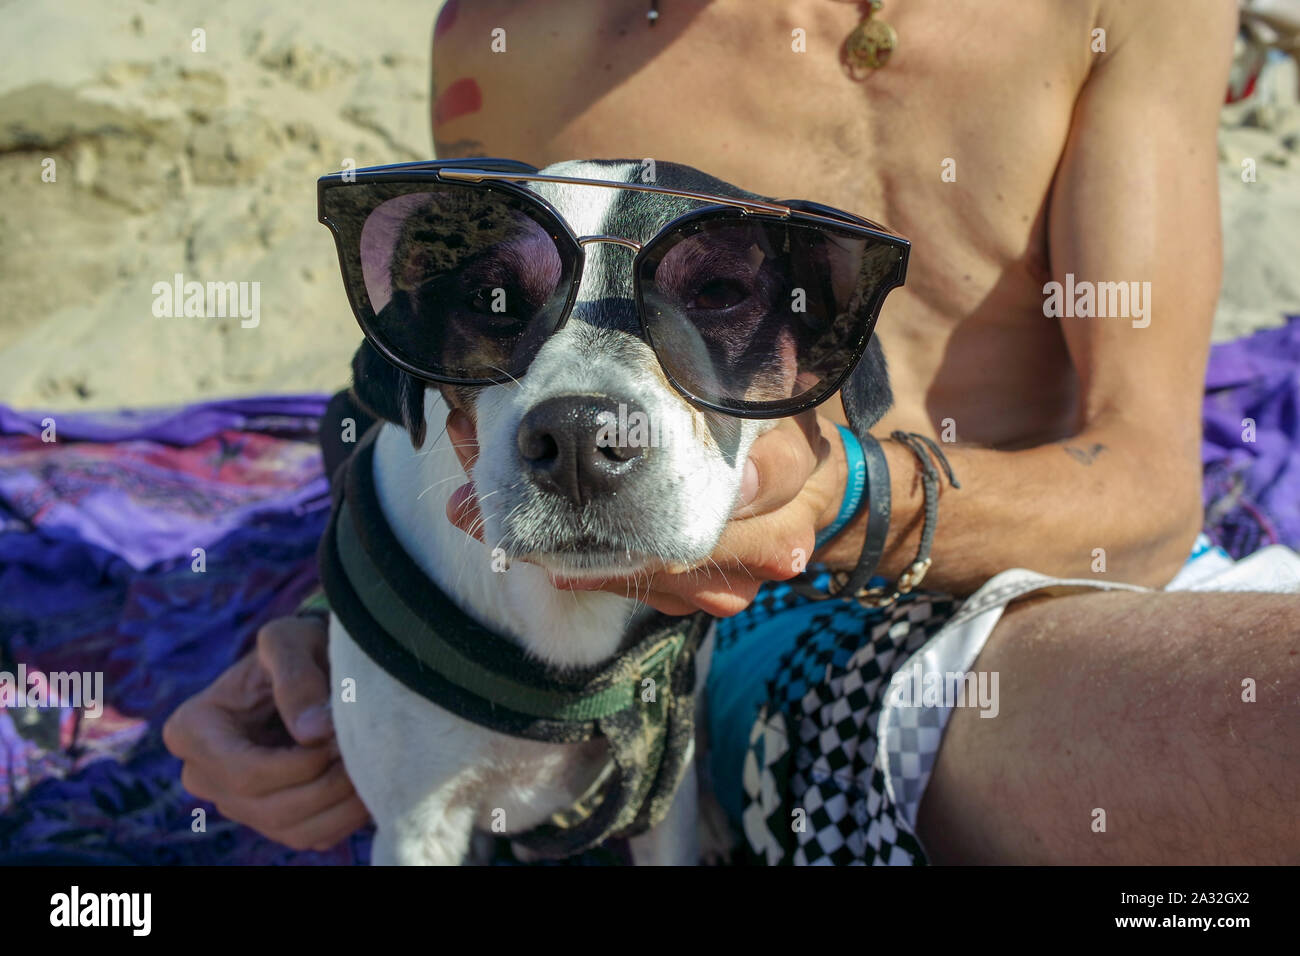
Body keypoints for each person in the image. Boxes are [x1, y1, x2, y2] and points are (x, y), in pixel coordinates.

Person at [165, 0, 1300, 862]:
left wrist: (840, 499)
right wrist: (348, 613)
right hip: (755, 623)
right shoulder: (529, 33)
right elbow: (474, 392)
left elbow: (1147, 495)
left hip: (1059, 552)